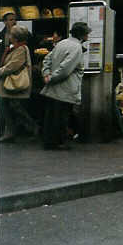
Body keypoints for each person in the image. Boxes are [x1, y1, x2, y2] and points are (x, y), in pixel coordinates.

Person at [40, 21, 90, 149]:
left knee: (50, 116)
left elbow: (47, 59)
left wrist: (46, 74)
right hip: (66, 88)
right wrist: (51, 78)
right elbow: (66, 69)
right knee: (61, 117)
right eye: (87, 34)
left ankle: (48, 141)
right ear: (82, 35)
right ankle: (58, 143)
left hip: (52, 89)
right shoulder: (77, 48)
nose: (88, 36)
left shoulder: (61, 43)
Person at [0, 25, 39, 142]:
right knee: (10, 108)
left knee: (9, 108)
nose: (9, 36)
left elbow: (13, 66)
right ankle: (11, 132)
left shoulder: (20, 49)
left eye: (11, 34)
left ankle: (32, 128)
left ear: (15, 38)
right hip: (8, 83)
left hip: (12, 84)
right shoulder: (15, 47)